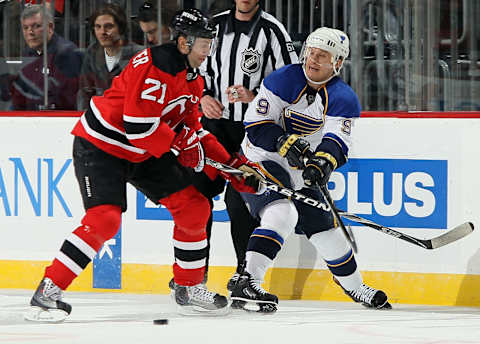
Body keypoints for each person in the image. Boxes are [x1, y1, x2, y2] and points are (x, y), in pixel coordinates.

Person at [24, 8, 264, 322]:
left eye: (210, 41)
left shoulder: (193, 79)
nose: (208, 48)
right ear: (183, 42)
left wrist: (232, 166)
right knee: (104, 220)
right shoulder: (155, 65)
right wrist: (181, 146)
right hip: (102, 146)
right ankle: (49, 289)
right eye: (203, 42)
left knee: (194, 207)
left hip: (144, 150)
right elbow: (139, 126)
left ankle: (188, 287)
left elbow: (195, 131)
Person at [230, 27, 392, 312]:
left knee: (327, 232)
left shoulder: (343, 97)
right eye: (311, 53)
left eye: (323, 56)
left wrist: (322, 163)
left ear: (338, 63)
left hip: (298, 169)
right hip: (259, 159)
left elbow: (336, 141)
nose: (313, 60)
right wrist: (282, 141)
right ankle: (248, 281)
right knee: (283, 213)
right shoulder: (283, 80)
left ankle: (355, 288)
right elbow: (255, 126)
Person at [198, 0, 298, 291]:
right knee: (197, 198)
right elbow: (193, 69)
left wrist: (255, 96)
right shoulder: (212, 27)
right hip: (213, 127)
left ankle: (245, 273)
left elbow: (291, 83)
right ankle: (194, 272)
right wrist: (203, 96)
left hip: (251, 129)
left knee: (239, 200)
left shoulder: (273, 31)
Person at [9, 4, 82, 110]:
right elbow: (20, 95)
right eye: (26, 28)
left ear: (50, 27)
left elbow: (65, 101)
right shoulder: (27, 53)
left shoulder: (66, 53)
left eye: (36, 26)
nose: (30, 32)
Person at [77, 3, 143, 110]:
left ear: (121, 28)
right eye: (98, 27)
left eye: (108, 26)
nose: (102, 32)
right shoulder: (92, 52)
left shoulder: (139, 54)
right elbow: (84, 91)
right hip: (99, 117)